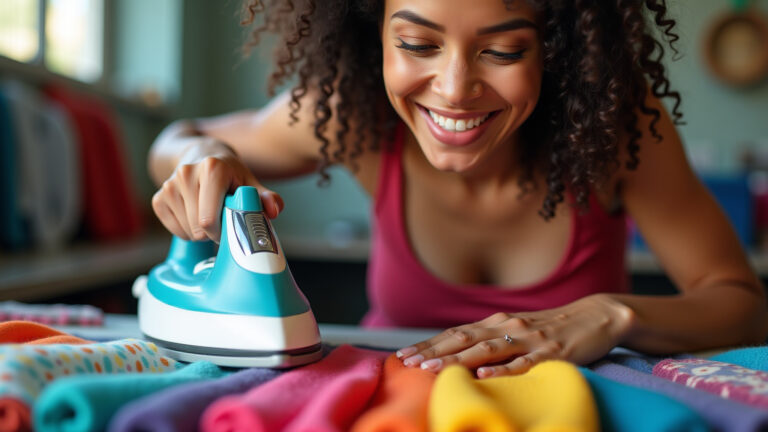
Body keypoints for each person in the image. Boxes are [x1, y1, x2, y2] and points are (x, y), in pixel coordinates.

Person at [148, 0, 768, 378]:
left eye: (502, 50)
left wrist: (610, 315)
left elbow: (742, 303)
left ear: (556, 49)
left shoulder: (619, 130)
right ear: (375, 35)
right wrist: (204, 158)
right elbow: (180, 137)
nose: (453, 88)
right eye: (417, 44)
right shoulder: (352, 111)